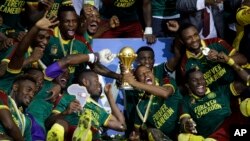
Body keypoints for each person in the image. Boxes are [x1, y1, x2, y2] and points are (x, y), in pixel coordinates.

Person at [45, 70, 126, 141]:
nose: (99, 84)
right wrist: (65, 112)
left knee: (91, 131)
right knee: (60, 123)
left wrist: (109, 96)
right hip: (69, 132)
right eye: (96, 80)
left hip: (92, 136)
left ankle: (84, 134)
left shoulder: (98, 108)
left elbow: (121, 125)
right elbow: (48, 122)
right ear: (85, 82)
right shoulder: (68, 97)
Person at [178, 68, 248, 141]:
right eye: (194, 80)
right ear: (187, 85)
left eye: (202, 79)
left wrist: (230, 62)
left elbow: (246, 81)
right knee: (182, 137)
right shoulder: (185, 101)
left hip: (232, 126)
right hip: (214, 136)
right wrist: (186, 126)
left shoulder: (220, 90)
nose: (199, 82)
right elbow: (184, 121)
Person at [173, 23, 247, 91]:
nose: (194, 40)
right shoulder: (185, 64)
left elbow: (243, 59)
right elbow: (194, 90)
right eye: (189, 38)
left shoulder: (216, 42)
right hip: (218, 98)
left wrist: (223, 59)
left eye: (195, 35)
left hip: (238, 83)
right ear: (182, 41)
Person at [123, 65, 182, 140]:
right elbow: (137, 133)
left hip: (185, 128)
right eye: (141, 75)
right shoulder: (140, 107)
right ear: (138, 80)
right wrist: (136, 137)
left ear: (153, 73)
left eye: (148, 71)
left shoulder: (166, 81)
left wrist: (134, 83)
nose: (146, 74)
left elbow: (166, 93)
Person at [0, 75, 37, 141]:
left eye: (34, 93)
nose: (31, 95)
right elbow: (9, 126)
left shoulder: (27, 121)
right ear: (15, 87)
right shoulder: (2, 97)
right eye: (28, 90)